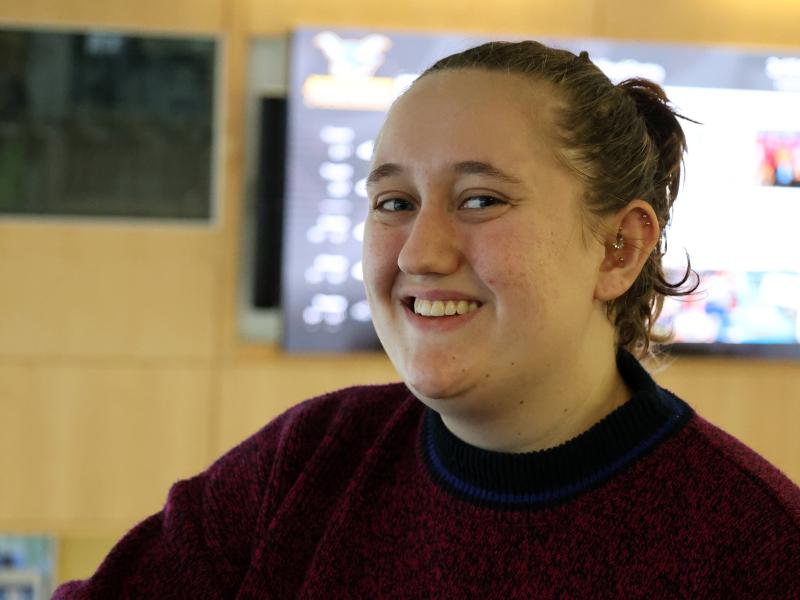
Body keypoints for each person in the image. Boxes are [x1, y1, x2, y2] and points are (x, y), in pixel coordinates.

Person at [54, 40, 800, 599]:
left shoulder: (756, 550)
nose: (420, 251)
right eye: (394, 203)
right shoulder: (306, 463)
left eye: (480, 200)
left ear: (620, 247)